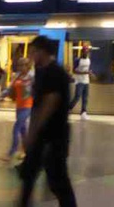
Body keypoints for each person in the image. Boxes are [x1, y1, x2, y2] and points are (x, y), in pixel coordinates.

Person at [18, 35, 76, 207]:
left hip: (54, 136)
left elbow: (48, 105)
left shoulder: (55, 72)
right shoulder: (42, 70)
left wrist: (32, 133)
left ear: (42, 51)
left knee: (57, 180)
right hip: (42, 135)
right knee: (29, 175)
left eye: (34, 52)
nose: (32, 56)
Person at [1, 57, 34, 162]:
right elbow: (9, 88)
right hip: (19, 106)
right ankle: (26, 151)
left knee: (16, 128)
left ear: (28, 66)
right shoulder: (17, 76)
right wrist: (0, 96)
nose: (21, 67)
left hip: (28, 106)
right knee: (23, 130)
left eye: (23, 65)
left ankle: (11, 152)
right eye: (19, 65)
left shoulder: (32, 76)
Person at [68, 46, 91, 120]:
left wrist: (89, 73)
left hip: (86, 80)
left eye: (87, 51)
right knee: (77, 96)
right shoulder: (77, 60)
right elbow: (74, 71)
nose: (86, 53)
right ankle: (68, 108)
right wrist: (85, 72)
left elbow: (88, 70)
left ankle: (83, 112)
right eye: (85, 51)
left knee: (85, 98)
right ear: (82, 52)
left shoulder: (88, 60)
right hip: (79, 81)